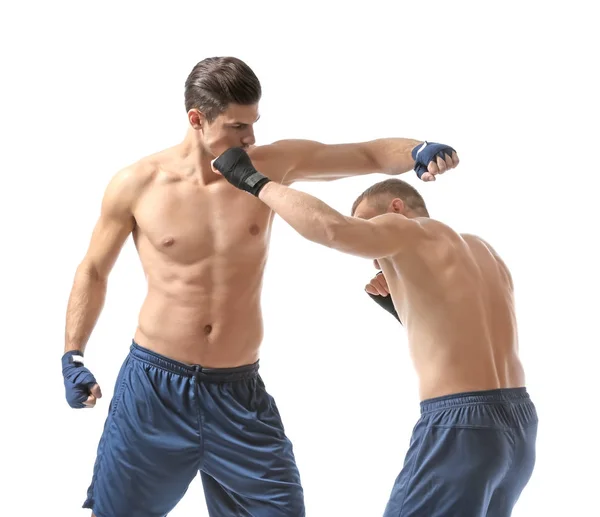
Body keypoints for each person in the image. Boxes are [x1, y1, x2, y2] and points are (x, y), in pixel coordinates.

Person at [61, 56, 460, 517]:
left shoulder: (269, 166)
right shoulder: (137, 185)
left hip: (238, 392)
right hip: (154, 391)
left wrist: (418, 150)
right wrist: (73, 353)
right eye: (236, 126)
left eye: (254, 123)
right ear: (197, 119)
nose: (249, 138)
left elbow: (366, 155)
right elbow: (93, 269)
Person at [212, 148, 538, 517]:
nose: (372, 250)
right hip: (519, 426)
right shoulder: (484, 252)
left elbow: (332, 229)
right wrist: (399, 305)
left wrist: (254, 182)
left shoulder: (405, 229)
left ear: (396, 209)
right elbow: (468, 334)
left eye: (370, 224)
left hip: (462, 426)